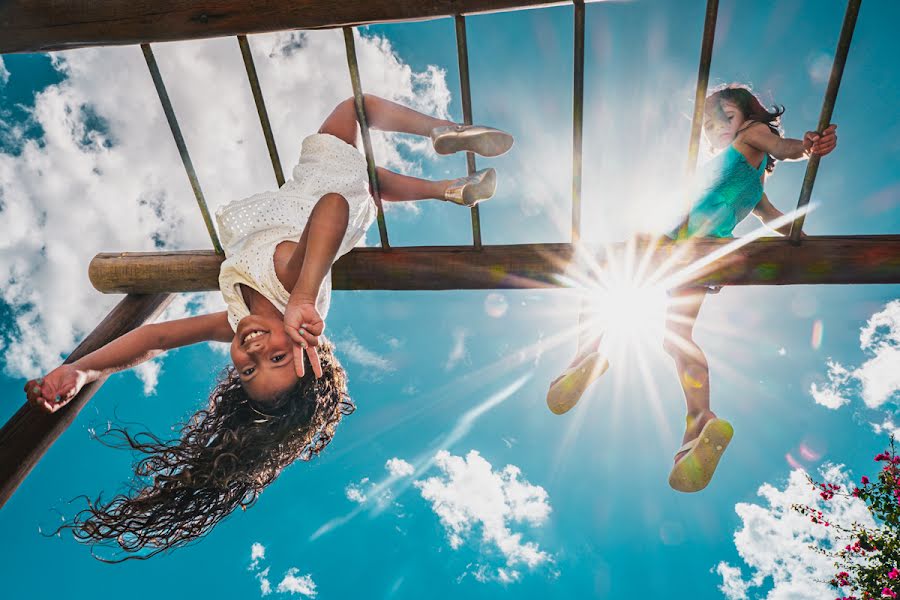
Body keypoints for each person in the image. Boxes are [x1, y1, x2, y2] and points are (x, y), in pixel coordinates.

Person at [23, 94, 514, 558]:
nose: (253, 351)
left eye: (247, 371)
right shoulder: (289, 286)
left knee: (374, 182)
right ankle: (446, 130)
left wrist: (84, 371)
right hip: (321, 193)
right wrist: (302, 293)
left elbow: (156, 338)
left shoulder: (240, 321)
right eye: (277, 358)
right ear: (308, 349)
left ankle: (450, 190)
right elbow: (331, 208)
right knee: (356, 107)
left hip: (338, 203)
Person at [546, 83, 837, 493]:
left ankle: (585, 354)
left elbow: (784, 148)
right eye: (708, 124)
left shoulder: (750, 136)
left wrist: (806, 147)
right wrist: (800, 234)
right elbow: (774, 218)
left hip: (675, 239)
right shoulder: (752, 185)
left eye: (725, 118)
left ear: (750, 117)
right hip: (704, 258)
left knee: (603, 272)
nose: (716, 128)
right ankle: (700, 421)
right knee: (677, 337)